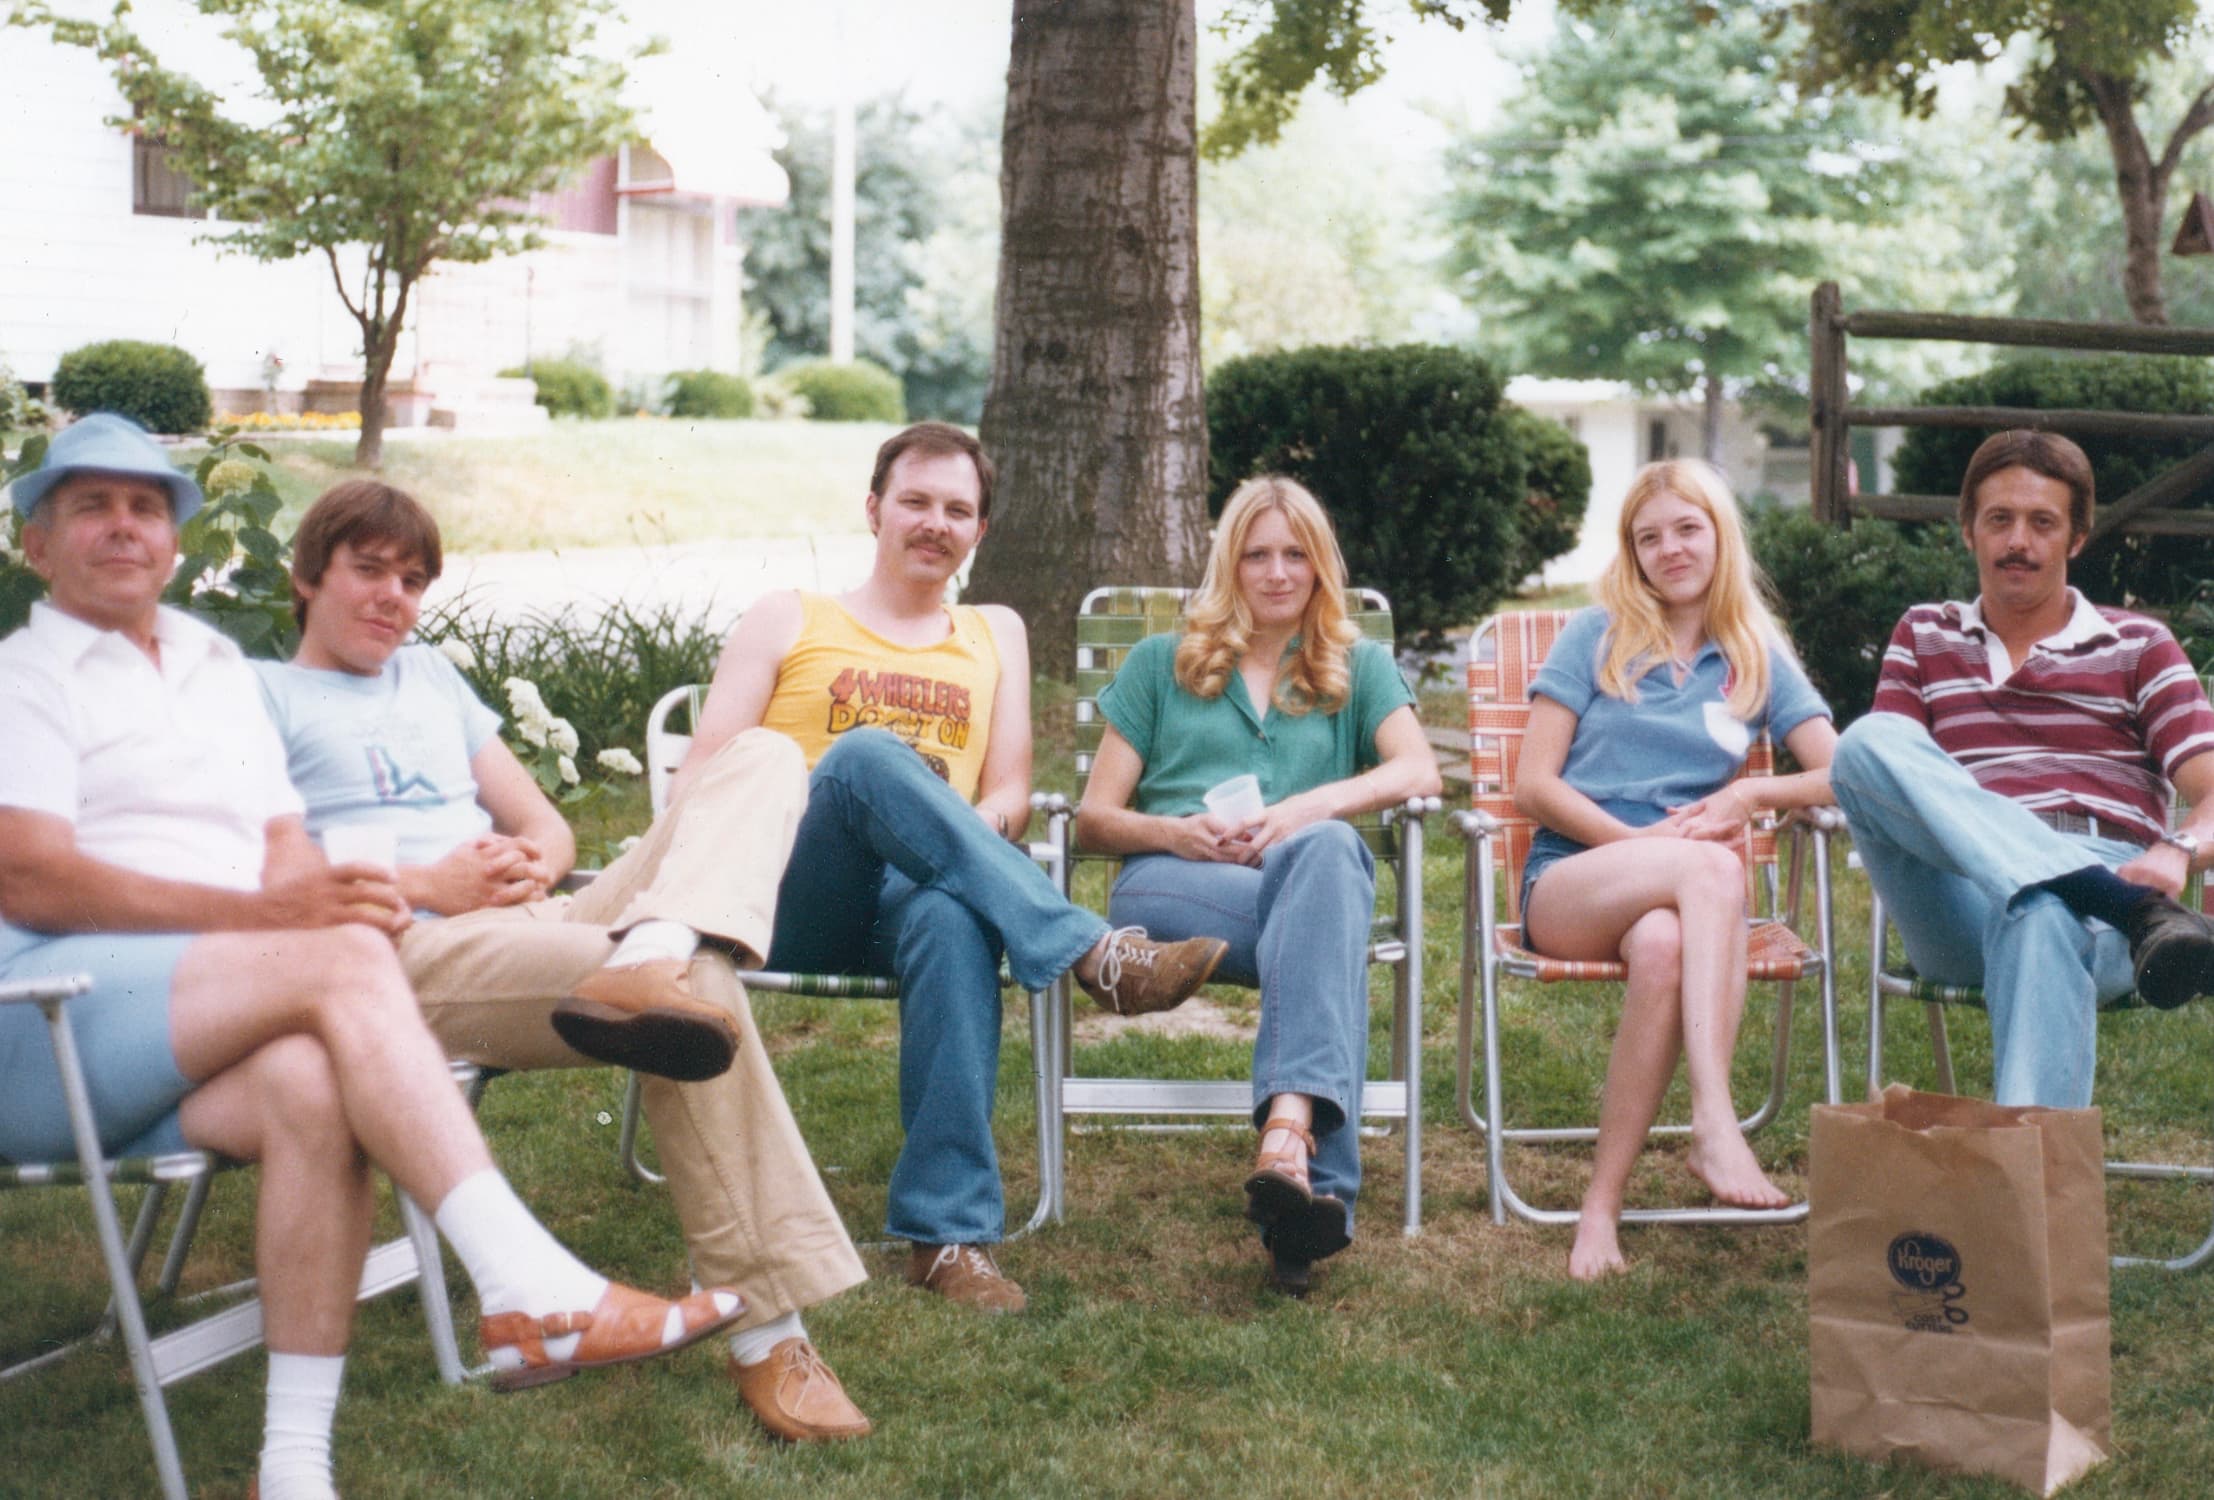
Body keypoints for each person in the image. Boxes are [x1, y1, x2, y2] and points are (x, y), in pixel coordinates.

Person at [0, 415, 739, 1500]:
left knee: (316, 1085)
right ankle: (526, 1281)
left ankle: (292, 1469)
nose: (123, 526)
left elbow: (281, 843)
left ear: (174, 540)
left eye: (146, 506)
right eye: (91, 506)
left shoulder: (208, 667)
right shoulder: (26, 677)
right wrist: (280, 917)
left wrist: (317, 893)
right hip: (45, 1018)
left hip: (180, 1020)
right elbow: (30, 880)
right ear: (37, 543)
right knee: (344, 958)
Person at [252, 480, 871, 1443]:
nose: (393, 598)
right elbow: (258, 869)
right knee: (693, 991)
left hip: (533, 916)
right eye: (368, 571)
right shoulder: (260, 698)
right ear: (306, 576)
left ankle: (656, 945)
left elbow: (544, 822)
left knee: (763, 756)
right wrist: (427, 884)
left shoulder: (432, 684)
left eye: (412, 581)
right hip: (398, 952)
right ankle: (771, 1336)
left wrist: (528, 858)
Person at [681, 420, 1228, 1313]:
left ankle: (947, 1239)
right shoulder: (792, 616)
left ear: (979, 532)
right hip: (789, 889)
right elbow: (704, 769)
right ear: (874, 509)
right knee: (863, 760)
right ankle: (1097, 955)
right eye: (917, 501)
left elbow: (1010, 790)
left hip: (916, 897)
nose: (936, 522)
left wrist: (949, 845)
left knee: (955, 913)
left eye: (958, 510)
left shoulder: (994, 632)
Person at [1072, 476, 1440, 1295]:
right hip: (1172, 890)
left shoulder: (1357, 667)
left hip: (1301, 888)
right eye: (1257, 555)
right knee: (1329, 902)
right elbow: (1095, 819)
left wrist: (1307, 808)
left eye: (1295, 555)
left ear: (1320, 567)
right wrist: (1176, 833)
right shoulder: (1160, 664)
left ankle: (1288, 1151)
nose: (1277, 573)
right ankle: (1319, 1177)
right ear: (1229, 565)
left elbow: (1421, 769)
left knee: (1328, 857)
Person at [1512, 459, 1838, 1281]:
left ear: (1720, 534)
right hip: (1574, 880)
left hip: (1676, 901)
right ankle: (1713, 1122)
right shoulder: (1597, 634)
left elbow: (1844, 773)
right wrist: (1638, 846)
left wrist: (1755, 793)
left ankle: (1600, 1207)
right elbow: (1533, 783)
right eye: (1647, 537)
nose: (1670, 549)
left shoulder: (1755, 656)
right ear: (1631, 553)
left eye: (1687, 528)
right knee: (1713, 873)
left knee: (1664, 947)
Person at [1831, 428, 2214, 1109]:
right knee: (1866, 741)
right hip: (1960, 891)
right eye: (1999, 520)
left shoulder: (2138, 646)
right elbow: (1882, 778)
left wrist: (2179, 848)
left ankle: (2029, 1206)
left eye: (2043, 523)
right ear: (1968, 531)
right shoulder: (1924, 633)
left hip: (2100, 882)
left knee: (2040, 911)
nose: (2018, 542)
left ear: (2076, 539)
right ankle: (2126, 907)